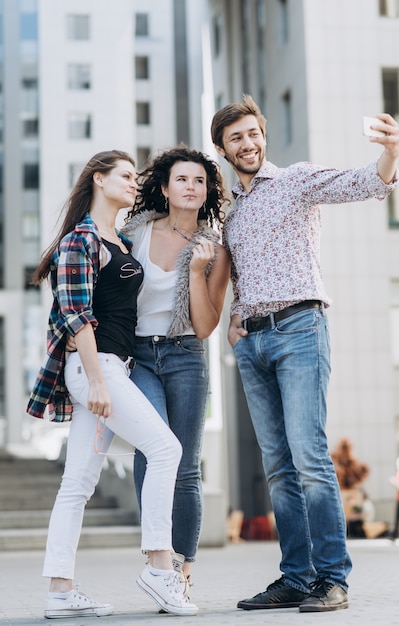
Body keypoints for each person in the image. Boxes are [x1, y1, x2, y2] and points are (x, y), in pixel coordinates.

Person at [210, 95, 399, 613]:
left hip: (299, 328)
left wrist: (389, 152)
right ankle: (295, 576)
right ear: (223, 149)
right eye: (236, 139)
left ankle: (332, 579)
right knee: (277, 465)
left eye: (253, 134)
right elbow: (239, 272)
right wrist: (232, 320)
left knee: (310, 457)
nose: (247, 144)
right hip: (252, 341)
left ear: (262, 136)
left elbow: (366, 182)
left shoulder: (294, 180)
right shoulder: (230, 209)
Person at [26, 150, 198, 618]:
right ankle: (161, 571)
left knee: (77, 483)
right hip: (93, 368)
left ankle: (60, 592)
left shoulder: (119, 240)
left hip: (110, 368)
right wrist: (98, 382)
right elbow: (77, 316)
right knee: (166, 450)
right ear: (98, 180)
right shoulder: (79, 241)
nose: (133, 181)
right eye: (124, 174)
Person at [121, 146, 231, 605]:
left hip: (186, 355)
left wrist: (200, 270)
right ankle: (157, 560)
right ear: (164, 188)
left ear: (206, 192)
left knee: (185, 468)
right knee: (151, 449)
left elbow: (205, 327)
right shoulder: (134, 232)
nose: (191, 187)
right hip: (138, 356)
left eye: (199, 181)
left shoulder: (215, 248)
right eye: (182, 179)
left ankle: (182, 569)